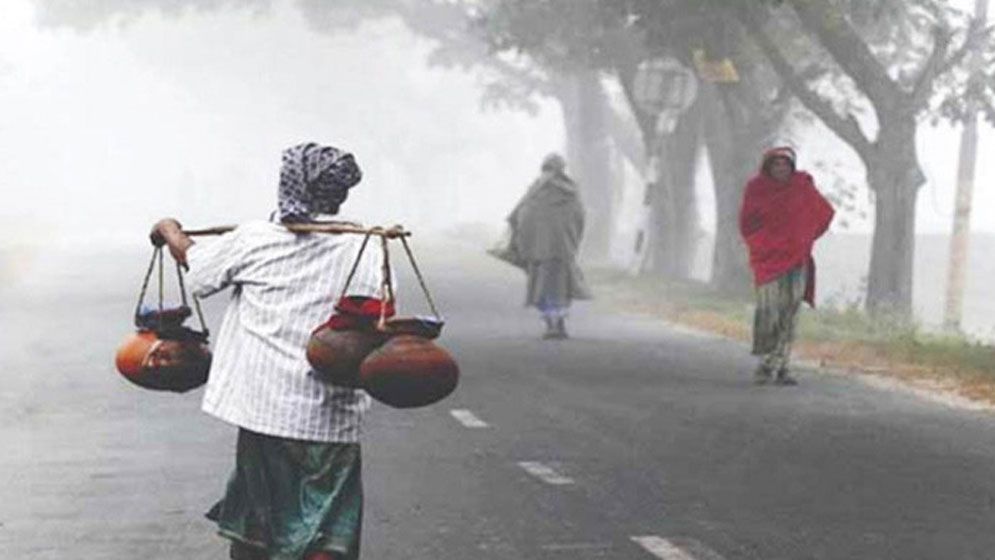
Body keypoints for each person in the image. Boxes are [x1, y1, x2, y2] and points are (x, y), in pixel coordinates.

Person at [150, 142, 384, 560]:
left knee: (257, 522)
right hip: (331, 416)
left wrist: (169, 229)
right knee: (326, 527)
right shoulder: (365, 247)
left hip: (266, 412)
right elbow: (380, 319)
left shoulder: (256, 239)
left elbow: (199, 268)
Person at [739, 147, 834, 386]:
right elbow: (747, 223)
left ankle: (779, 365)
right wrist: (760, 244)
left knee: (789, 312)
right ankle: (768, 359)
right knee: (769, 310)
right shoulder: (757, 189)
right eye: (776, 165)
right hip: (768, 260)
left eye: (785, 165)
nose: (781, 169)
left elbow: (824, 213)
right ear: (768, 167)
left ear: (792, 168)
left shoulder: (802, 187)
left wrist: (805, 238)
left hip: (796, 259)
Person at [505, 153, 591, 339]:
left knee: (543, 287)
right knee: (561, 287)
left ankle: (551, 323)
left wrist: (523, 244)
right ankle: (558, 322)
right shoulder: (571, 192)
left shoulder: (536, 191)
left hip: (539, 251)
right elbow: (580, 219)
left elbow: (518, 217)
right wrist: (572, 240)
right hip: (563, 250)